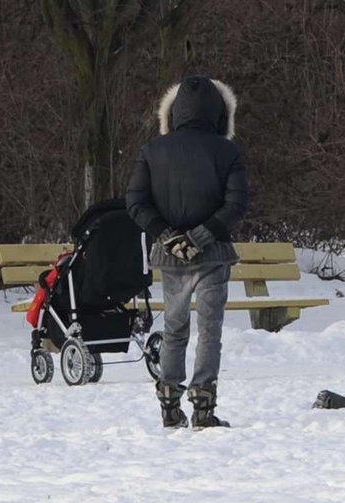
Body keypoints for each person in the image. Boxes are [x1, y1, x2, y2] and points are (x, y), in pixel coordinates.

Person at [126, 76, 248, 429]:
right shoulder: (228, 153)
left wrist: (167, 236)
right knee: (210, 330)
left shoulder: (152, 151)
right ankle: (203, 406)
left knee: (175, 328)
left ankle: (169, 403)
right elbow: (236, 203)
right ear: (220, 113)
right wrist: (201, 236)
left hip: (171, 256)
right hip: (212, 254)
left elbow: (136, 202)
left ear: (173, 113)